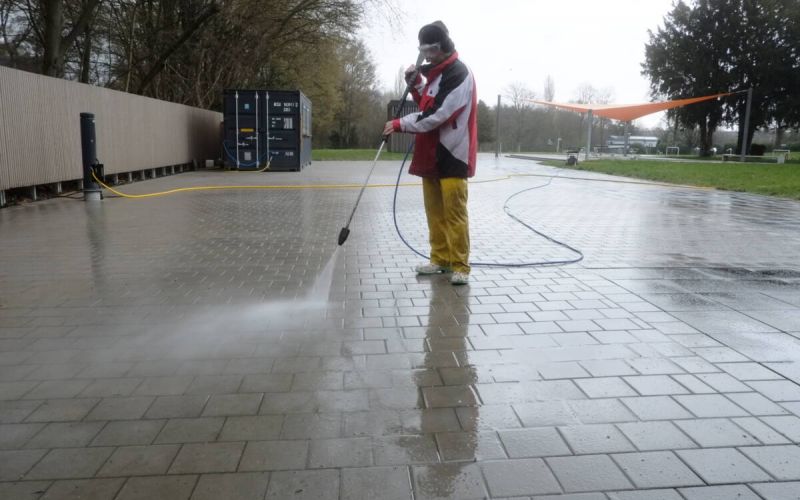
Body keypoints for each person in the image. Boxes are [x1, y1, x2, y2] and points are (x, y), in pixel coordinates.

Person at [383, 20, 477, 285]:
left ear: (444, 46)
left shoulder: (459, 74)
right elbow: (429, 100)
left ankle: (460, 266)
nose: (427, 55)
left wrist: (400, 124)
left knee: (454, 213)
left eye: (432, 50)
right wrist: (416, 85)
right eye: (423, 50)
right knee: (434, 212)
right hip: (431, 155)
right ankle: (440, 259)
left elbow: (438, 114)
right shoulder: (436, 74)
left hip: (453, 155)